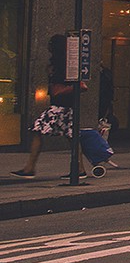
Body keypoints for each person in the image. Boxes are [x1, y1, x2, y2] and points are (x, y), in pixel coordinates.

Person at [12, 36, 83, 177]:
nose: (48, 47)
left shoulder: (62, 65)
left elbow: (81, 86)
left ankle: (30, 168)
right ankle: (79, 169)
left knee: (37, 129)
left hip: (60, 107)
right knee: (71, 136)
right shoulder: (60, 64)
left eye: (51, 45)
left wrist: (59, 90)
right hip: (63, 106)